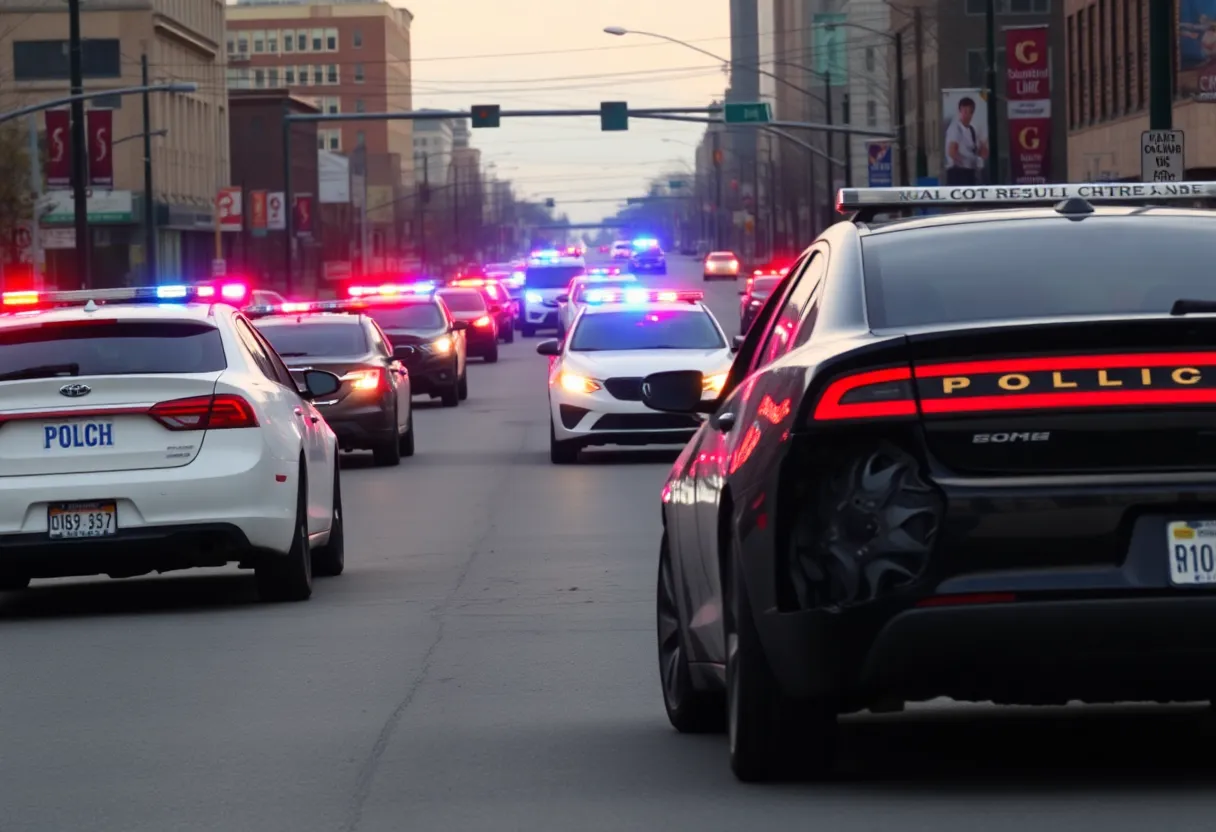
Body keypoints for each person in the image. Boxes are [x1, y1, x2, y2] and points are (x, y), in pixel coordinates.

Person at [944, 96, 989, 185]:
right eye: (965, 111)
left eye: (970, 112)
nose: (967, 115)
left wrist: (983, 145)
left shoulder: (972, 130)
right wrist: (963, 162)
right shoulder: (955, 128)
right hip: (958, 172)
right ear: (960, 111)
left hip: (971, 171)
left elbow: (983, 154)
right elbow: (952, 151)